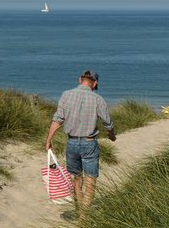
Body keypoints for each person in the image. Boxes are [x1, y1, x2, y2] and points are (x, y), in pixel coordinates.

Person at [45, 69, 116, 219]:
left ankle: (79, 210)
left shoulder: (66, 95)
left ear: (80, 80)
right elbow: (107, 123)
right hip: (89, 143)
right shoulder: (98, 99)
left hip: (71, 143)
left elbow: (58, 119)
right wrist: (111, 136)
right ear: (95, 83)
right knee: (90, 180)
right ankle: (84, 217)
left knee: (76, 178)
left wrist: (49, 140)